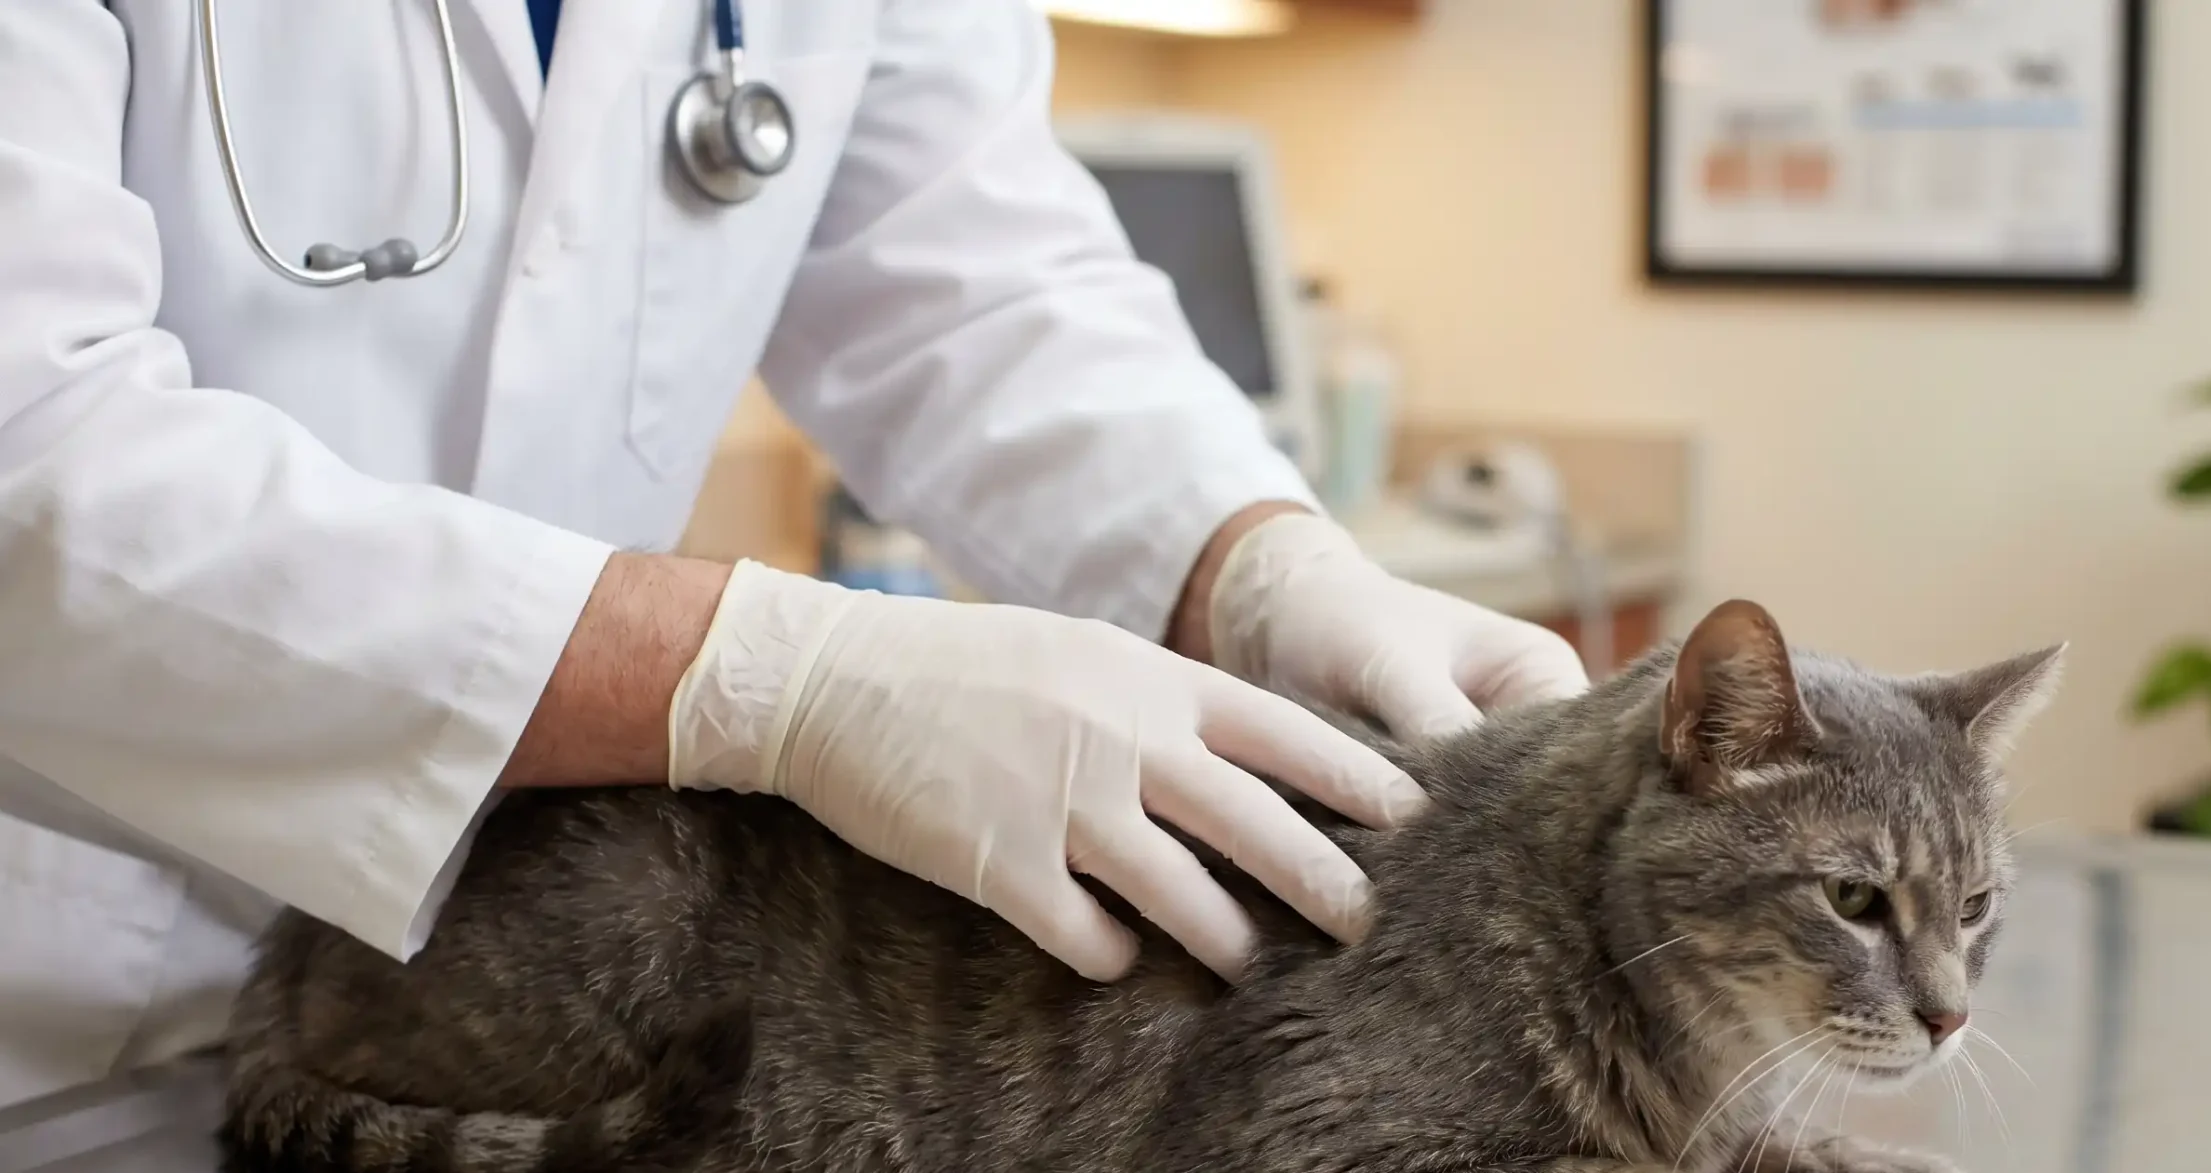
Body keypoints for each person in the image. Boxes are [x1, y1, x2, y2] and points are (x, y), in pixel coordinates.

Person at [0, 1, 1589, 1108]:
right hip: (44, 985)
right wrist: (768, 675)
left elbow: (974, 291)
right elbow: (31, 451)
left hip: (453, 1004)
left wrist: (1254, 564)